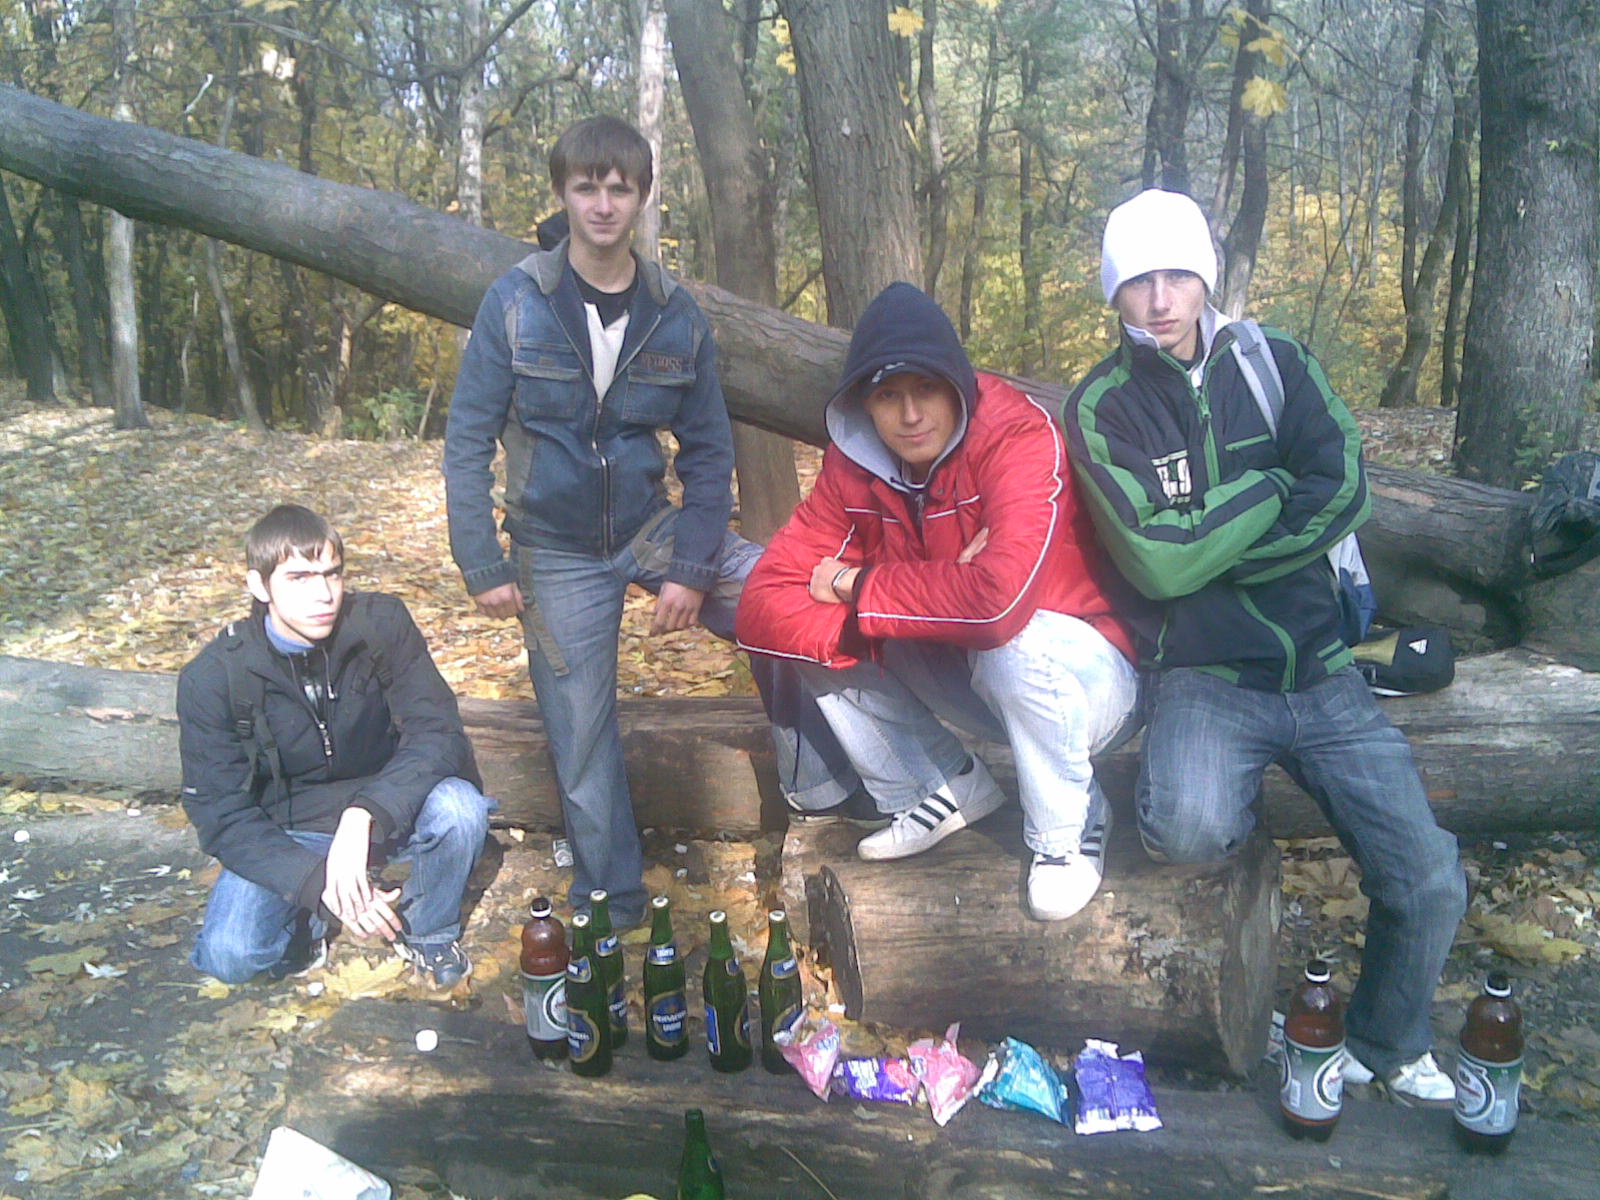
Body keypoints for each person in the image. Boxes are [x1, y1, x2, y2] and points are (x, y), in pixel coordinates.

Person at [1060, 188, 1467, 1102]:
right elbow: (1157, 563)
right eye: (1139, 281)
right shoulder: (1101, 407)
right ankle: (1264, 1000)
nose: (1160, 298)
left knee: (1430, 876)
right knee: (1186, 829)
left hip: (1322, 669)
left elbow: (1345, 490)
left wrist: (1210, 547)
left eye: (1178, 275)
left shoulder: (1277, 364)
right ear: (1114, 291)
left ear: (1204, 277)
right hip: (1203, 675)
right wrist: (1267, 490)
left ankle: (1385, 1042)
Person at [443, 115, 763, 929]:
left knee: (777, 595)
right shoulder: (518, 302)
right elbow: (468, 438)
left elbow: (708, 452)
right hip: (554, 550)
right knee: (581, 737)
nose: (603, 204)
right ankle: (613, 907)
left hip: (650, 529)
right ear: (563, 192)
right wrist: (482, 560)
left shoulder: (674, 313)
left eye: (620, 188)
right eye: (587, 186)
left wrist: (692, 567)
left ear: (642, 196)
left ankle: (831, 785)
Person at [736, 283, 1139, 920]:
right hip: (975, 674)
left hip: (1091, 681)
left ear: (957, 387)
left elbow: (996, 607)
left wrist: (857, 583)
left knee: (1010, 639)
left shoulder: (1016, 436)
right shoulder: (854, 466)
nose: (909, 414)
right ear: (864, 403)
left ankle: (1070, 828)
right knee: (806, 634)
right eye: (887, 396)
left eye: (926, 389)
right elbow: (762, 604)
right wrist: (936, 588)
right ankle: (937, 785)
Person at [178, 505, 493, 988]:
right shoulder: (214, 677)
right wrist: (315, 882)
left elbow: (438, 730)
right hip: (292, 828)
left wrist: (366, 812)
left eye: (332, 574)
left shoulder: (380, 624)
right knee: (231, 958)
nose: (323, 594)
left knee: (460, 807)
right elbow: (219, 813)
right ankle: (309, 926)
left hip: (388, 806)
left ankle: (429, 933)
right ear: (260, 586)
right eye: (299, 578)